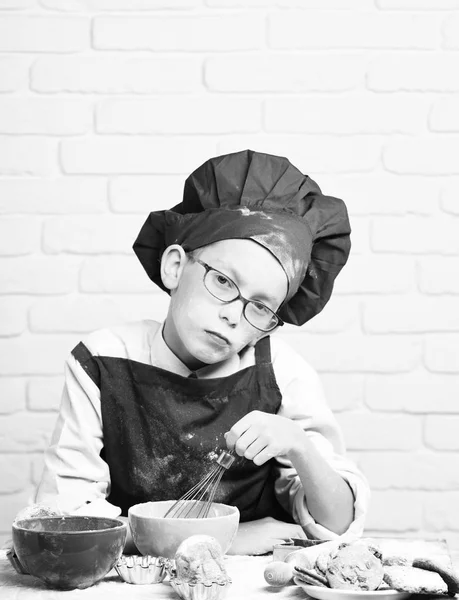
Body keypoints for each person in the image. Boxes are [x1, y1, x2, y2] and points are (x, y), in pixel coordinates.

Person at [33, 149, 369, 555]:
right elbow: (66, 519)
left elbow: (338, 524)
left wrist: (298, 444)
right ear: (175, 266)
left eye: (261, 307)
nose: (234, 317)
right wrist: (231, 538)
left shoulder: (282, 373)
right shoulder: (102, 362)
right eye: (225, 281)